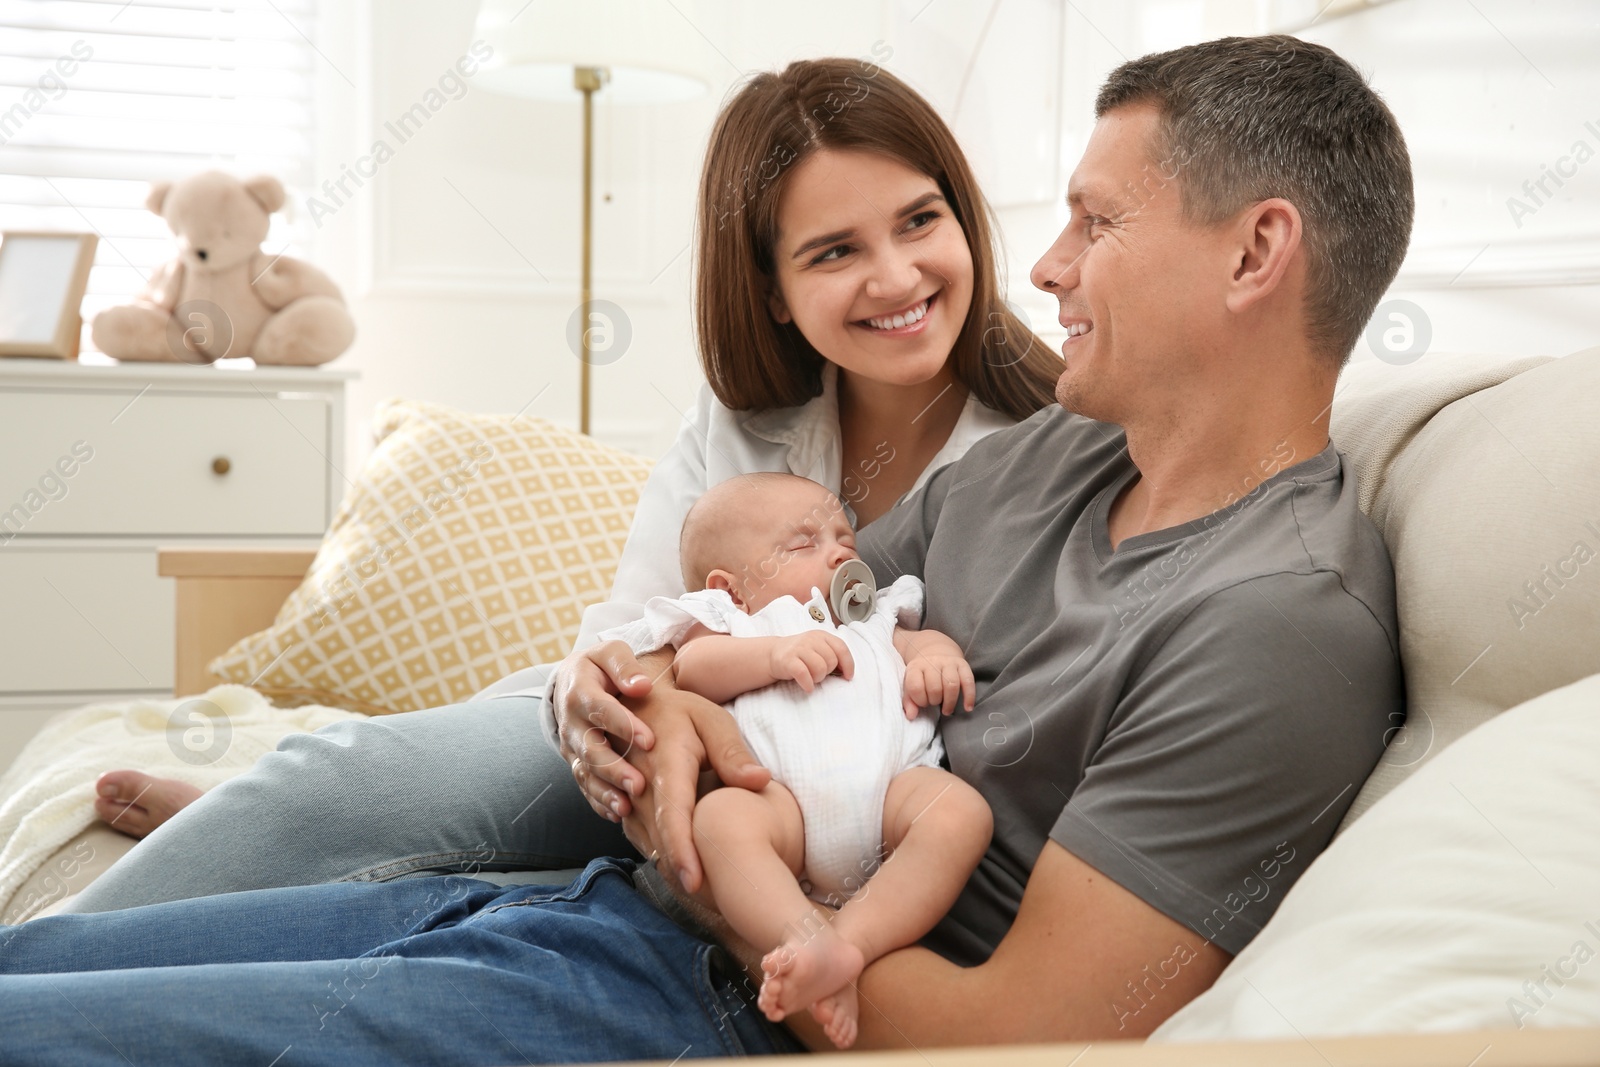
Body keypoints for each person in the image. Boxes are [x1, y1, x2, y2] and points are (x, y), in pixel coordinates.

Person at [4, 36, 1412, 1063]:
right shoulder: (1056, 456)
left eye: (1096, 223)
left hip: (703, 997)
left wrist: (717, 882)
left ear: (1253, 255)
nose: (1043, 267)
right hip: (589, 899)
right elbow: (747, 628)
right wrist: (659, 711)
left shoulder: (1280, 620)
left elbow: (1024, 1029)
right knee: (40, 970)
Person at [69, 56, 1057, 898]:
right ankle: (253, 842)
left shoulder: (1051, 445)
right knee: (334, 785)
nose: (895, 277)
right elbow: (619, 638)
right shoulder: (740, 427)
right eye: (834, 250)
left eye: (919, 220)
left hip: (818, 802)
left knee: (510, 881)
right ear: (773, 291)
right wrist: (628, 700)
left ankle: (315, 853)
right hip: (639, 741)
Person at [611, 472, 991, 1047]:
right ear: (730, 588)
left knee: (960, 815)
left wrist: (937, 659)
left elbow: (920, 644)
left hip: (893, 797)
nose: (839, 549)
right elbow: (691, 671)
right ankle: (801, 931)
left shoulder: (875, 619)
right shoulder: (734, 627)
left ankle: (847, 947)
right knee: (719, 824)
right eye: (804, 543)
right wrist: (773, 653)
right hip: (780, 807)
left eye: (845, 538)